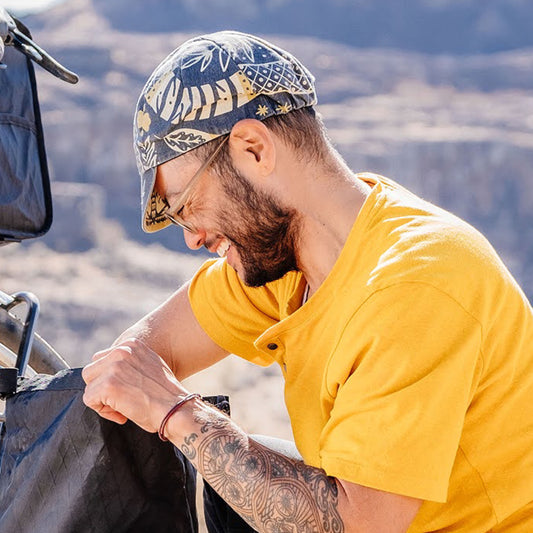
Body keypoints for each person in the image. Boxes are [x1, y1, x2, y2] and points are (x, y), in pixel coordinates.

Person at [82, 31, 533, 532]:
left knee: (228, 462)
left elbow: (357, 526)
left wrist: (177, 413)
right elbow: (138, 358)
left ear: (254, 149)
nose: (191, 238)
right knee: (236, 483)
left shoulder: (416, 283)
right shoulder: (284, 261)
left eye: (187, 206)